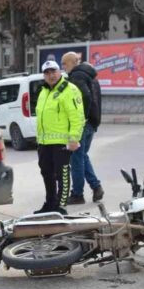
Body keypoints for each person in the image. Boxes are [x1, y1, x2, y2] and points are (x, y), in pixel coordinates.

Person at [34, 60, 84, 215]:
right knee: (46, 173)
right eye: (47, 73)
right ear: (44, 75)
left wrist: (74, 138)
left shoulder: (69, 89)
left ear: (60, 71)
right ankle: (50, 203)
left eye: (53, 71)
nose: (51, 75)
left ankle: (61, 206)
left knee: (62, 174)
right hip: (44, 142)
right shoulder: (44, 91)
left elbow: (77, 116)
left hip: (61, 141)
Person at [61, 52, 104, 205]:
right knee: (82, 156)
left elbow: (85, 97)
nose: (63, 67)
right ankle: (96, 186)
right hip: (92, 123)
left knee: (76, 159)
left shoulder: (77, 76)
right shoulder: (91, 76)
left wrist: (81, 119)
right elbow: (97, 99)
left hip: (83, 124)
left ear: (72, 62)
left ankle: (77, 194)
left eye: (64, 64)